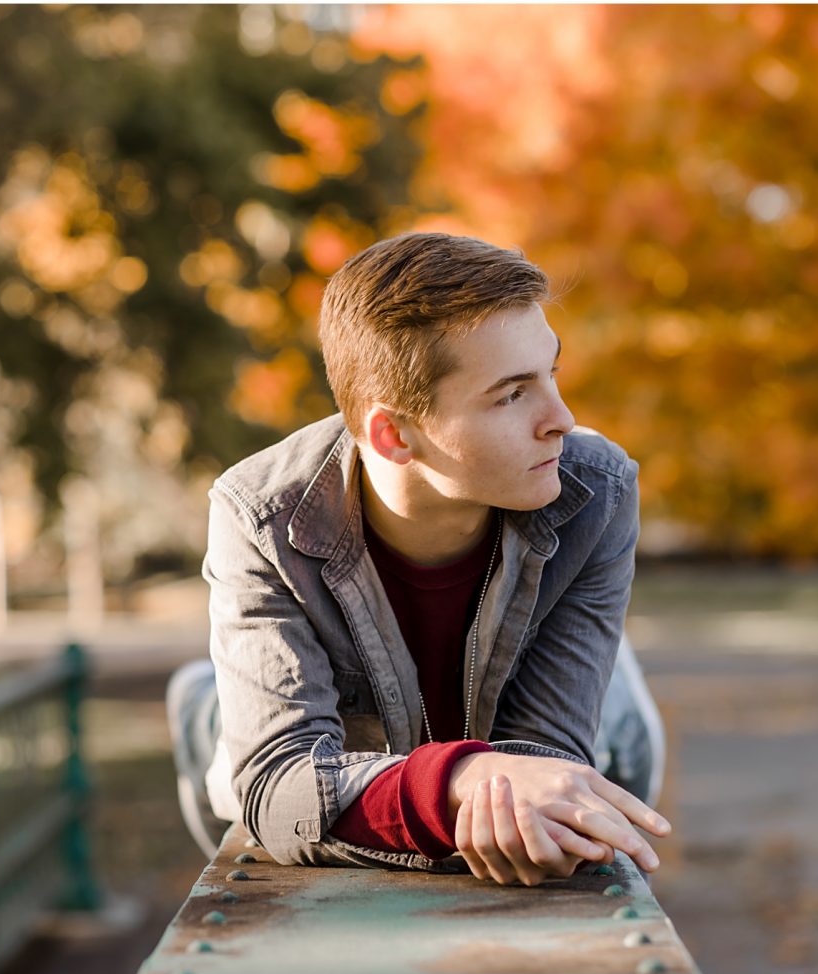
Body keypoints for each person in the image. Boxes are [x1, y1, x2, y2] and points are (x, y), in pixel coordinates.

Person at [167, 232, 670, 886]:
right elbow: (280, 786)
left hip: (528, 717)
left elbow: (544, 766)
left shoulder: (596, 490)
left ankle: (614, 683)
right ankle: (206, 694)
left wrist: (484, 792)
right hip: (342, 734)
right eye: (513, 394)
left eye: (553, 372)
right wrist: (464, 778)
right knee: (233, 788)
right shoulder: (260, 514)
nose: (563, 419)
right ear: (395, 434)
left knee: (605, 766)